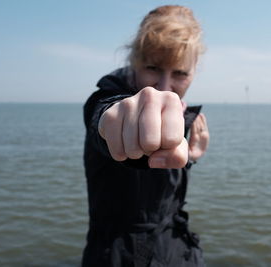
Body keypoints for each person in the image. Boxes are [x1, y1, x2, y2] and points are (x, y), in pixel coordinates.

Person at [82, 5, 210, 267]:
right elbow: (103, 115)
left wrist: (190, 158)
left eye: (180, 73)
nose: (165, 87)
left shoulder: (183, 117)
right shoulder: (107, 98)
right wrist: (111, 121)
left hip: (177, 252)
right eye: (152, 68)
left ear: (194, 71)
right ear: (134, 63)